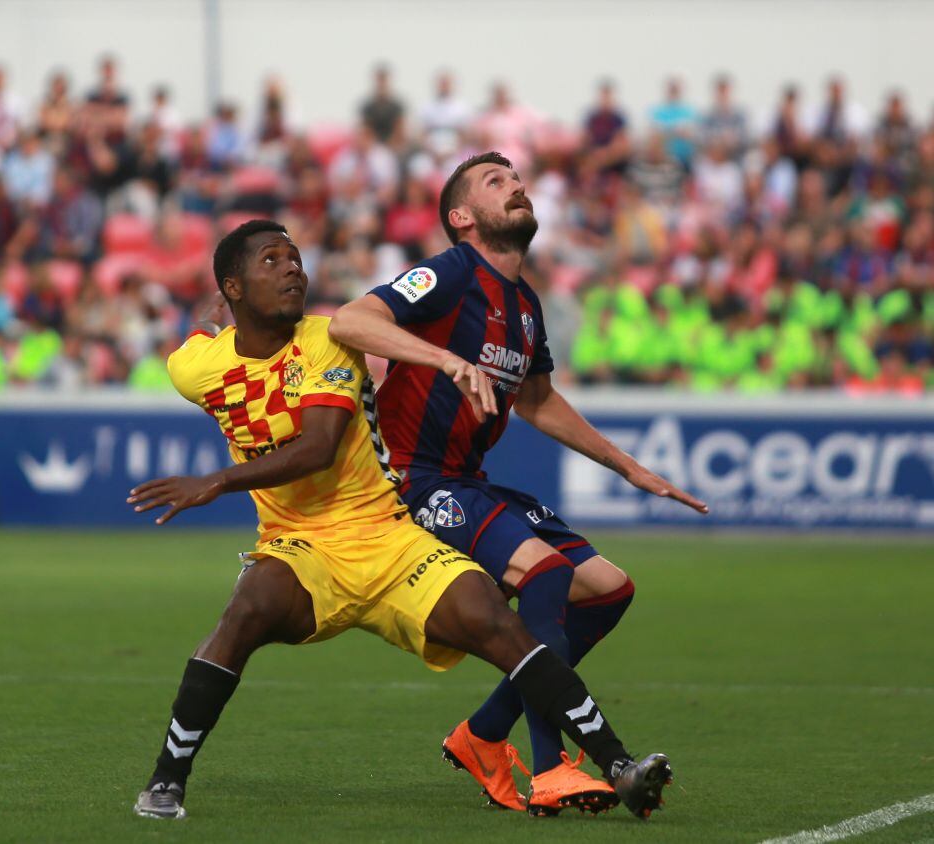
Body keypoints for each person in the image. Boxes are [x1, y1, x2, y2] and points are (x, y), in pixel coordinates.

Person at [127, 219, 673, 821]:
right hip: (300, 546)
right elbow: (201, 335)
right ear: (233, 287)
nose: (293, 270)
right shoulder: (193, 367)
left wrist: (217, 480)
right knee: (247, 609)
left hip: (388, 536)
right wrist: (214, 309)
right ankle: (166, 781)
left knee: (495, 622)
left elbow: (319, 447)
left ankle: (617, 764)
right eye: (272, 260)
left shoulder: (328, 339)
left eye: (297, 258)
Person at [329, 152, 707, 815]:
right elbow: (350, 322)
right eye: (497, 183)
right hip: (415, 486)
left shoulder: (526, 304)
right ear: (462, 216)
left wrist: (627, 466)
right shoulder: (449, 273)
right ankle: (552, 765)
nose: (519, 187)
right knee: (543, 575)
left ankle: (482, 733)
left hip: (470, 481)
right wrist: (444, 358)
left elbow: (536, 401)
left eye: (518, 179)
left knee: (608, 589)